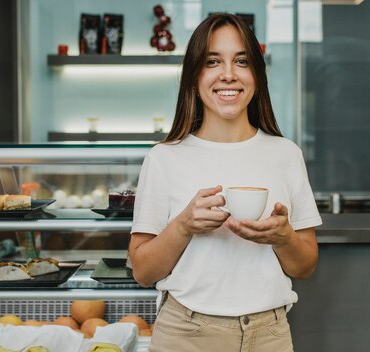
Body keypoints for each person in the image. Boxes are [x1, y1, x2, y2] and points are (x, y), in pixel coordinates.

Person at [129, 13, 322, 352]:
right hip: (184, 335)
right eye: (212, 61)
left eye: (242, 61)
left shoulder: (285, 154)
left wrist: (284, 237)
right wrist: (184, 225)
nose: (228, 74)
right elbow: (143, 271)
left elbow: (304, 266)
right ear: (193, 77)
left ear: (257, 76)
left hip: (269, 335)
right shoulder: (164, 158)